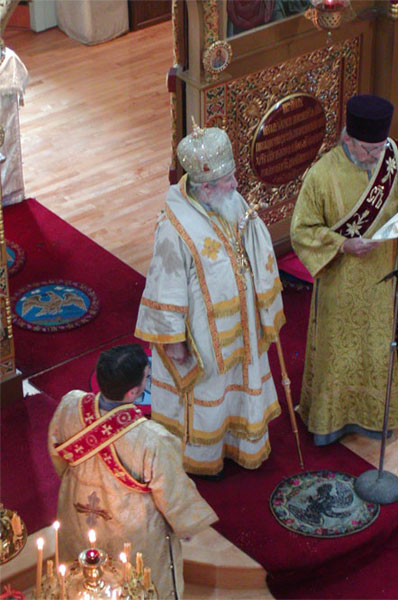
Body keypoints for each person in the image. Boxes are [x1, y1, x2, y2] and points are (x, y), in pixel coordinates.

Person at [290, 94, 398, 446]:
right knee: (338, 356)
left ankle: (379, 420)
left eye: (380, 149)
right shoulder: (322, 175)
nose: (377, 157)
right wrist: (343, 244)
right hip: (340, 285)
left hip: (384, 281)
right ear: (348, 139)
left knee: (378, 352)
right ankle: (329, 423)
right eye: (368, 150)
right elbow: (302, 231)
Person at [135, 122, 285, 476]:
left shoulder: (228, 201)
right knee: (209, 395)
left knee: (240, 385)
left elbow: (251, 242)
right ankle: (204, 459)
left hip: (242, 325)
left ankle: (240, 444)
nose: (236, 185)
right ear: (205, 188)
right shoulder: (175, 227)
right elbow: (164, 283)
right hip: (203, 336)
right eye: (228, 180)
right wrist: (173, 341)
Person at [48, 344, 217, 599]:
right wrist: (185, 525)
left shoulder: (70, 404)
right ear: (134, 392)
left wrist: (80, 479)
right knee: (135, 584)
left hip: (77, 508)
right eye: (146, 377)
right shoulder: (153, 439)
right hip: (130, 527)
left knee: (81, 577)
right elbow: (172, 494)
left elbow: (57, 454)